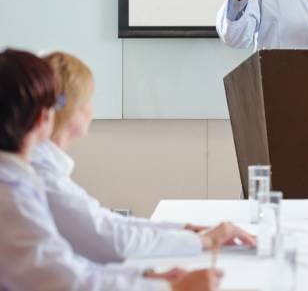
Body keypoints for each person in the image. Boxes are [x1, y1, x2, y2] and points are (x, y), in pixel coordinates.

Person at [0, 48, 221, 291]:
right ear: (43, 117)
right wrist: (172, 288)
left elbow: (70, 261)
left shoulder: (20, 180)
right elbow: (66, 278)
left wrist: (145, 277)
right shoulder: (16, 192)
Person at [29, 51, 255, 264]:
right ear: (68, 109)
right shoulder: (43, 177)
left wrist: (184, 230)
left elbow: (106, 222)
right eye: (87, 100)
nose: (91, 110)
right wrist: (201, 241)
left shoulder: (46, 168)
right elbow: (111, 239)